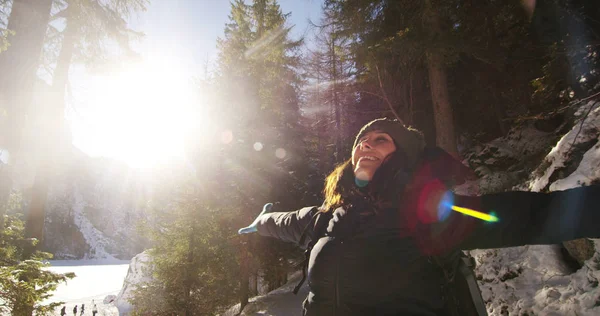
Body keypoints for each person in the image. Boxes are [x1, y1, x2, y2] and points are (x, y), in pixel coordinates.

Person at [238, 117, 600, 316]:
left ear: (404, 157)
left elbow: (532, 215)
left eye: (380, 140)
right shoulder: (328, 217)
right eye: (360, 143)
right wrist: (263, 221)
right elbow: (288, 221)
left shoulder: (430, 214)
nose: (365, 145)